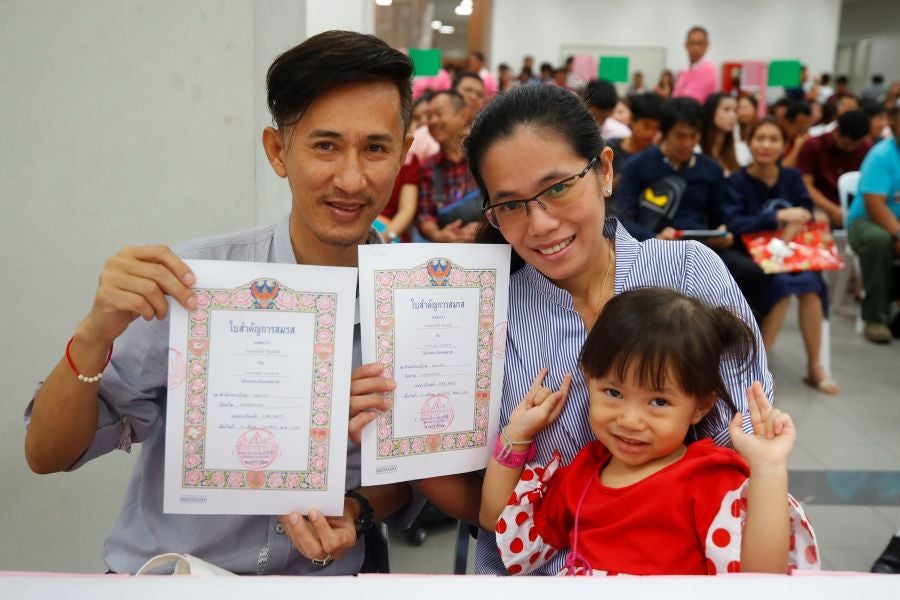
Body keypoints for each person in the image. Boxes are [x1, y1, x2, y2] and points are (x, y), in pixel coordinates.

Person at [23, 30, 415, 575]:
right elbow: (48, 455)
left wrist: (357, 506)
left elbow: (411, 477)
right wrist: (94, 335)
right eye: (325, 145)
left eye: (375, 147)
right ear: (278, 151)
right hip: (178, 576)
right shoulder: (192, 286)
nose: (351, 178)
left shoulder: (419, 308)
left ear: (403, 154)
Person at [415, 84, 774, 576]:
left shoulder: (688, 274)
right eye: (511, 205)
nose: (539, 224)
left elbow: (747, 440)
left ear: (603, 170)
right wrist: (401, 412)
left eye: (558, 187)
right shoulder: (483, 311)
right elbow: (483, 506)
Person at [479, 288, 819, 576]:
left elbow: (762, 582)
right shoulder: (583, 474)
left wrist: (769, 469)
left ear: (701, 406)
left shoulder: (707, 478)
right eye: (613, 393)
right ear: (588, 379)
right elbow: (499, 524)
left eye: (658, 401)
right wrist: (516, 434)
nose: (630, 420)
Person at [617, 97, 769, 321]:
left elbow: (721, 217)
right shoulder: (638, 166)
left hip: (703, 248)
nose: (687, 143)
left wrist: (723, 234)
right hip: (655, 250)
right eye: (680, 135)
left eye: (694, 136)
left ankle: (743, 339)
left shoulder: (710, 170)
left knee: (751, 273)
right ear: (665, 132)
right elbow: (623, 218)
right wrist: (654, 237)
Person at [723, 118, 839, 394]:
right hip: (751, 255)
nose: (766, 145)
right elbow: (735, 223)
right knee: (783, 287)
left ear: (784, 146)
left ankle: (815, 366)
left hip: (791, 254)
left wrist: (794, 223)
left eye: (773, 139)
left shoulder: (791, 178)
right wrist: (777, 216)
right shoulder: (737, 181)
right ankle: (757, 372)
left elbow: (807, 211)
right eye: (759, 138)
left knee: (811, 286)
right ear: (748, 143)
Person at [846, 106, 900, 344]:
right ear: (894, 124)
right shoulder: (882, 156)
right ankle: (875, 317)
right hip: (866, 222)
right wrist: (898, 234)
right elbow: (875, 205)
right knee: (880, 240)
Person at [416, 90, 480, 242]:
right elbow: (425, 215)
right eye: (429, 116)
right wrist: (438, 235)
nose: (432, 121)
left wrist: (487, 225)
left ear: (463, 116)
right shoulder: (429, 166)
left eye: (439, 113)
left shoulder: (482, 155)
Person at [796, 110, 873, 228]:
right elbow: (805, 185)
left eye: (857, 144)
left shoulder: (865, 147)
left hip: (855, 207)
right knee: (820, 220)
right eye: (848, 143)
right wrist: (832, 209)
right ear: (837, 132)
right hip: (821, 205)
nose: (852, 148)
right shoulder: (813, 146)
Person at [605, 92, 665, 191]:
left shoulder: (657, 154)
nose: (651, 133)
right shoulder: (610, 148)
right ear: (632, 119)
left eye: (657, 128)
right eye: (646, 126)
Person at [700, 92, 748, 174]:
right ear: (711, 111)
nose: (733, 115)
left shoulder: (741, 150)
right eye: (726, 109)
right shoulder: (696, 149)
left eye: (735, 111)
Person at [673, 26, 718, 103]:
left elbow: (691, 102)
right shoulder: (684, 71)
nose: (695, 47)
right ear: (686, 45)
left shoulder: (708, 69)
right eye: (692, 43)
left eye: (700, 43)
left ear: (706, 45)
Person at [778, 100, 813, 168]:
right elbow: (780, 171)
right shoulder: (777, 139)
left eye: (806, 128)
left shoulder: (809, 141)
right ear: (786, 122)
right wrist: (797, 148)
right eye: (799, 129)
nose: (804, 132)